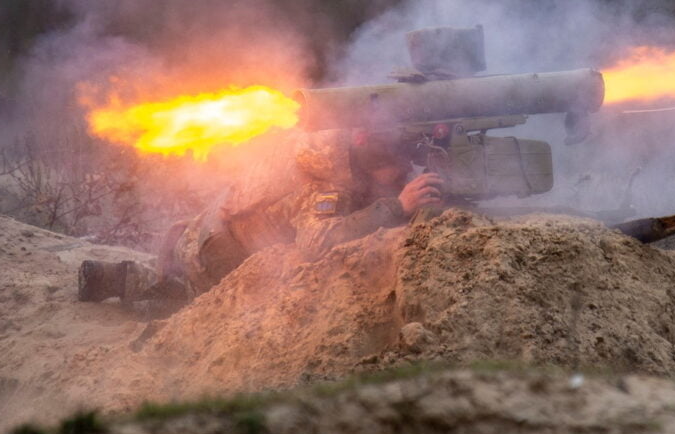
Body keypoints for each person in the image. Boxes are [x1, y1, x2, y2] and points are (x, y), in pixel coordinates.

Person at [77, 129, 443, 306]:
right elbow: (318, 243)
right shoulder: (326, 185)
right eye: (396, 168)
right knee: (187, 300)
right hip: (213, 258)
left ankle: (154, 275)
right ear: (372, 164)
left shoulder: (323, 146)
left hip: (201, 228)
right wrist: (397, 206)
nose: (403, 173)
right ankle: (127, 280)